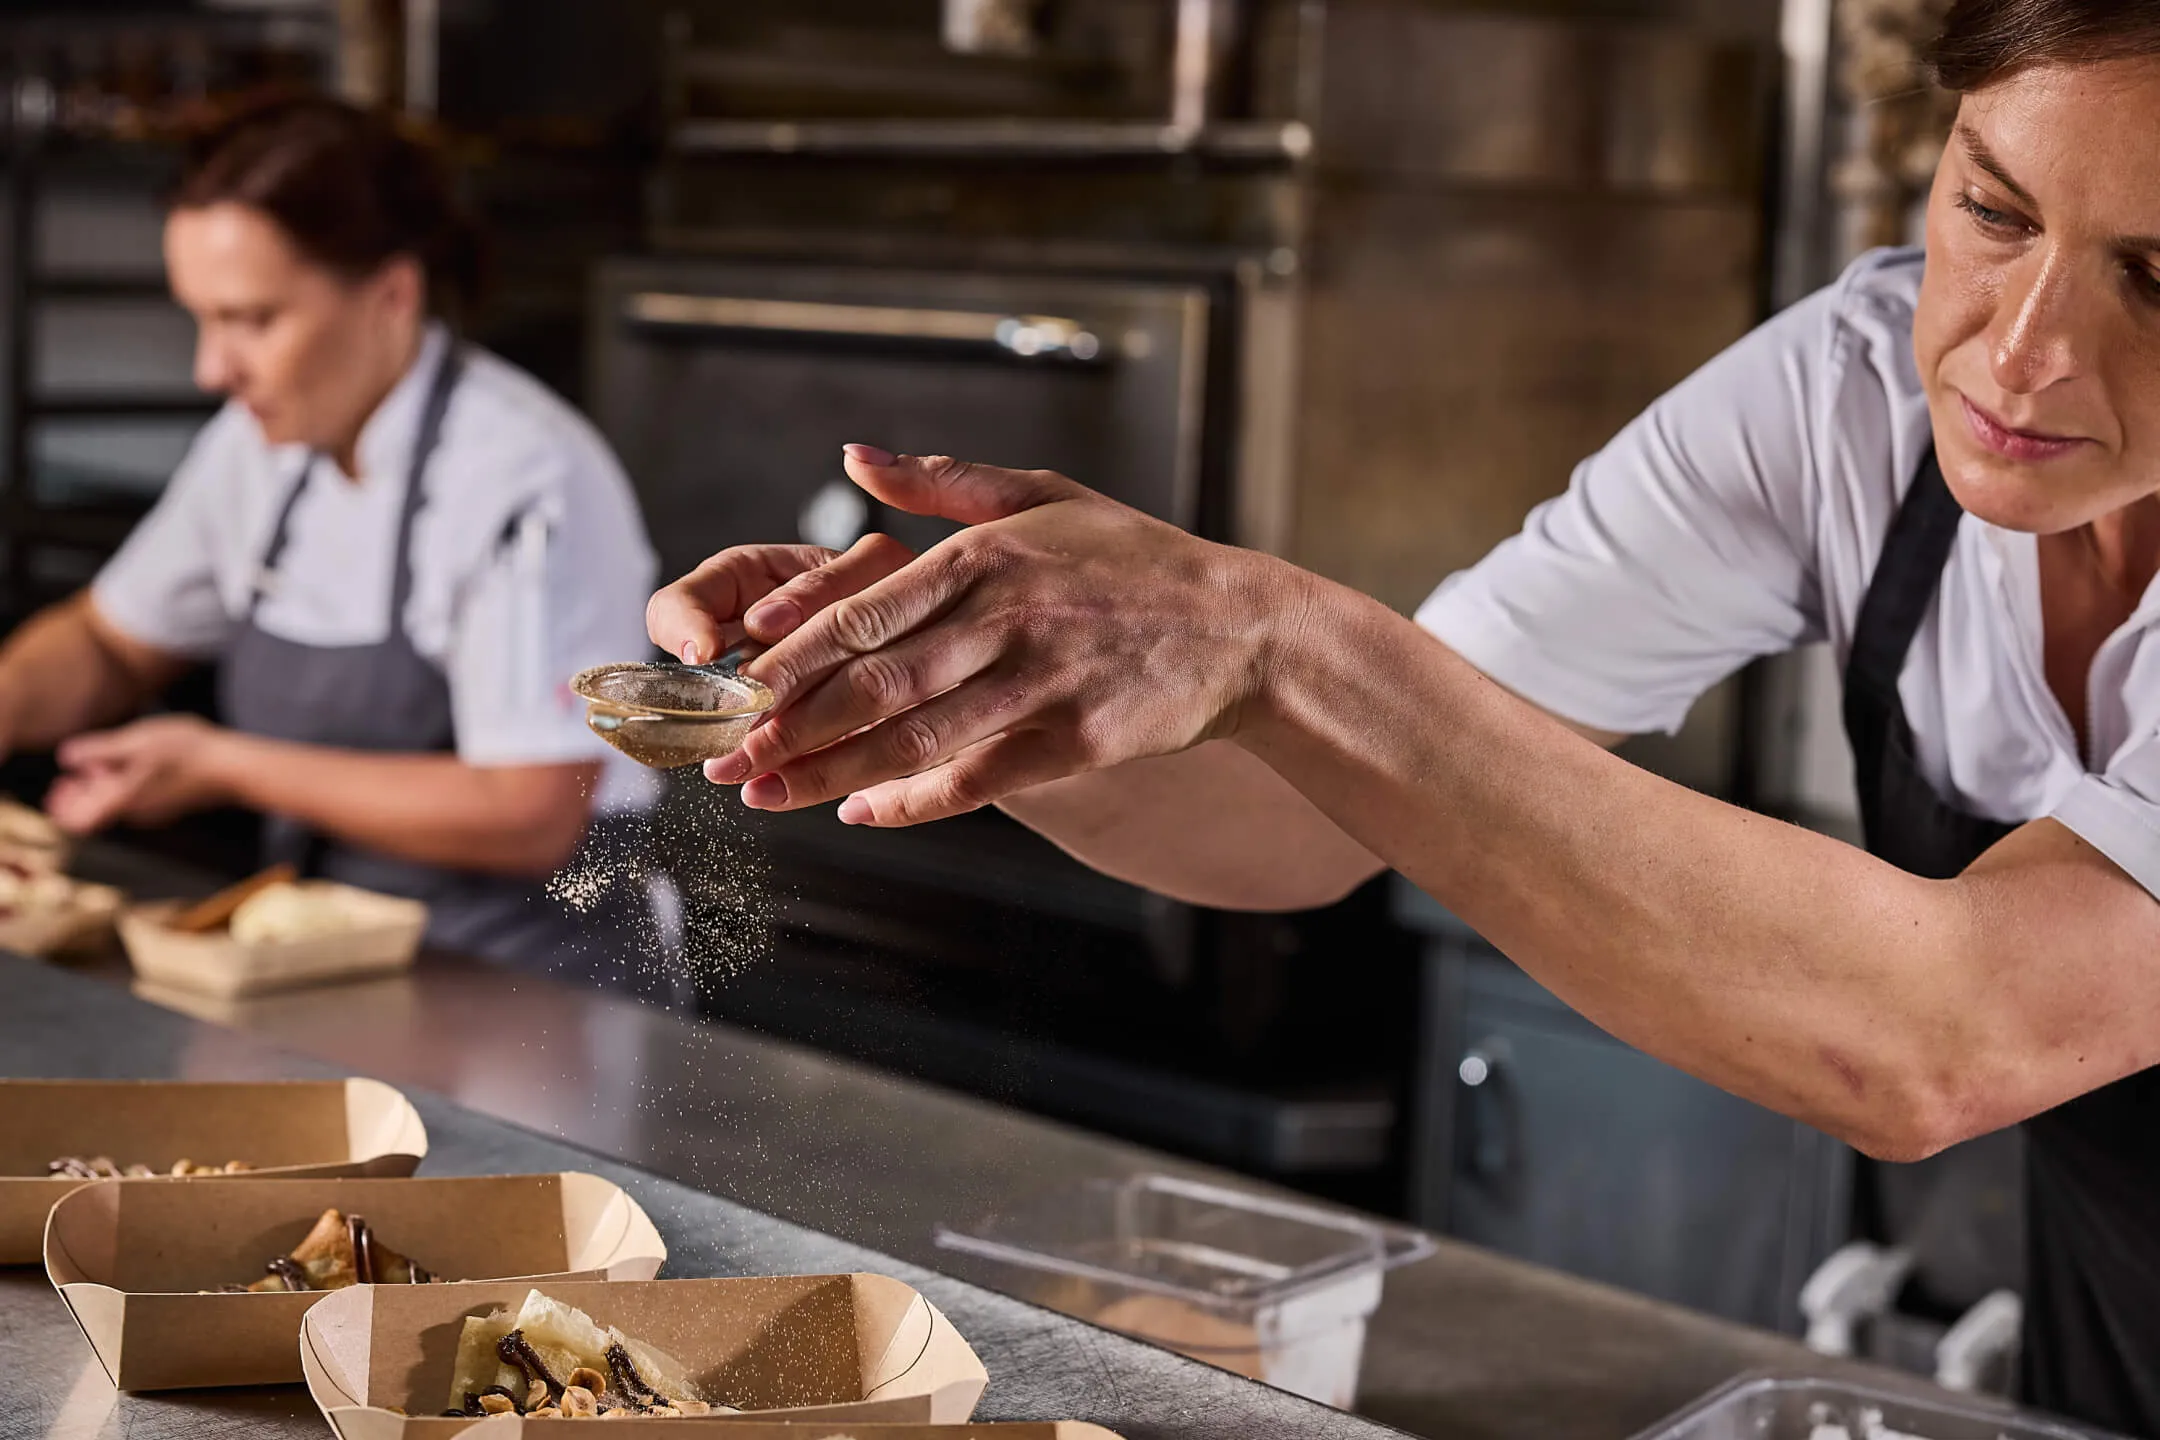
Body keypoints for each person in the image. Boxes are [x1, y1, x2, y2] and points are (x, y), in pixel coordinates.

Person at [650, 0, 2160, 1429]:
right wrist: (970, 673)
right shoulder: (1851, 404)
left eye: (2157, 278)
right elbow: (1307, 812)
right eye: (1996, 211)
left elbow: (1940, 1039)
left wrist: (1280, 642)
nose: (2023, 350)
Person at [0, 93, 660, 973]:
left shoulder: (524, 477)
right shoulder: (257, 445)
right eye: (201, 319)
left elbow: (531, 811)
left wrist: (223, 764)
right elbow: (110, 643)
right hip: (326, 967)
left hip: (535, 987)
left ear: (391, 294)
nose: (211, 369)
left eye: (253, 320)